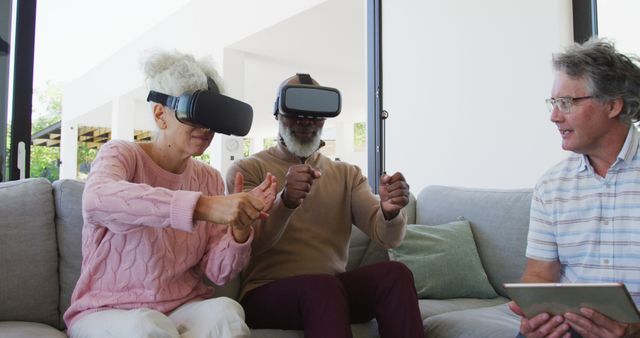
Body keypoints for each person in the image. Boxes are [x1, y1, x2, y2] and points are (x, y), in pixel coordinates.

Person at [64, 49, 277, 338]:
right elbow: (97, 200)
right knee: (147, 327)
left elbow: (218, 273)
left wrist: (238, 232)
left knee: (227, 314)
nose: (206, 127)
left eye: (211, 117)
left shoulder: (209, 179)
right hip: (107, 311)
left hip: (181, 307)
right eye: (194, 114)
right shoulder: (122, 154)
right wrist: (203, 207)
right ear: (160, 114)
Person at [226, 73, 424, 338]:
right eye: (295, 112)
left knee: (395, 274)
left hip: (331, 291)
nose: (306, 121)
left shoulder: (347, 174)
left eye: (315, 114)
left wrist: (390, 211)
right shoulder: (248, 170)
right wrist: (285, 201)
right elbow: (250, 244)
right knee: (322, 287)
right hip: (266, 293)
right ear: (277, 113)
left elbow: (388, 238)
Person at [509, 38, 640, 338]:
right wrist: (535, 314)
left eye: (567, 103)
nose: (554, 116)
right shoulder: (551, 186)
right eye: (553, 103)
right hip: (570, 329)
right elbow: (540, 274)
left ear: (612, 105)